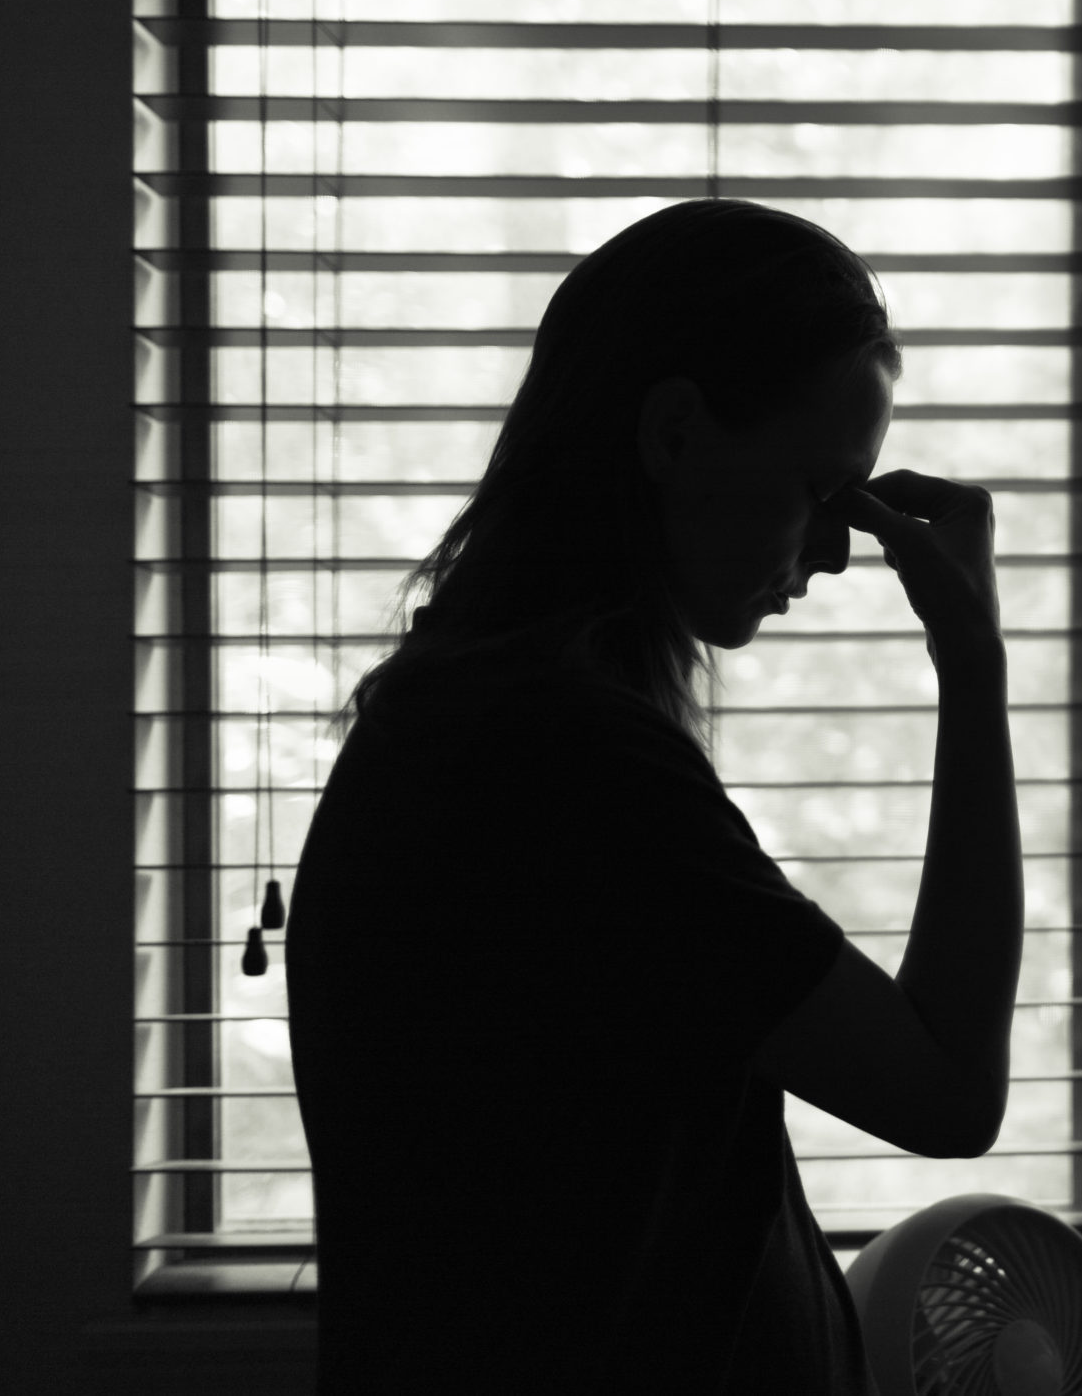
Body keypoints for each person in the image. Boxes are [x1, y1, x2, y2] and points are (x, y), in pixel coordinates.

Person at [284, 199, 1021, 1392]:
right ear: (674, 433)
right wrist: (972, 663)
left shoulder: (491, 722)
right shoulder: (559, 768)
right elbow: (945, 1092)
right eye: (819, 489)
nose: (837, 554)